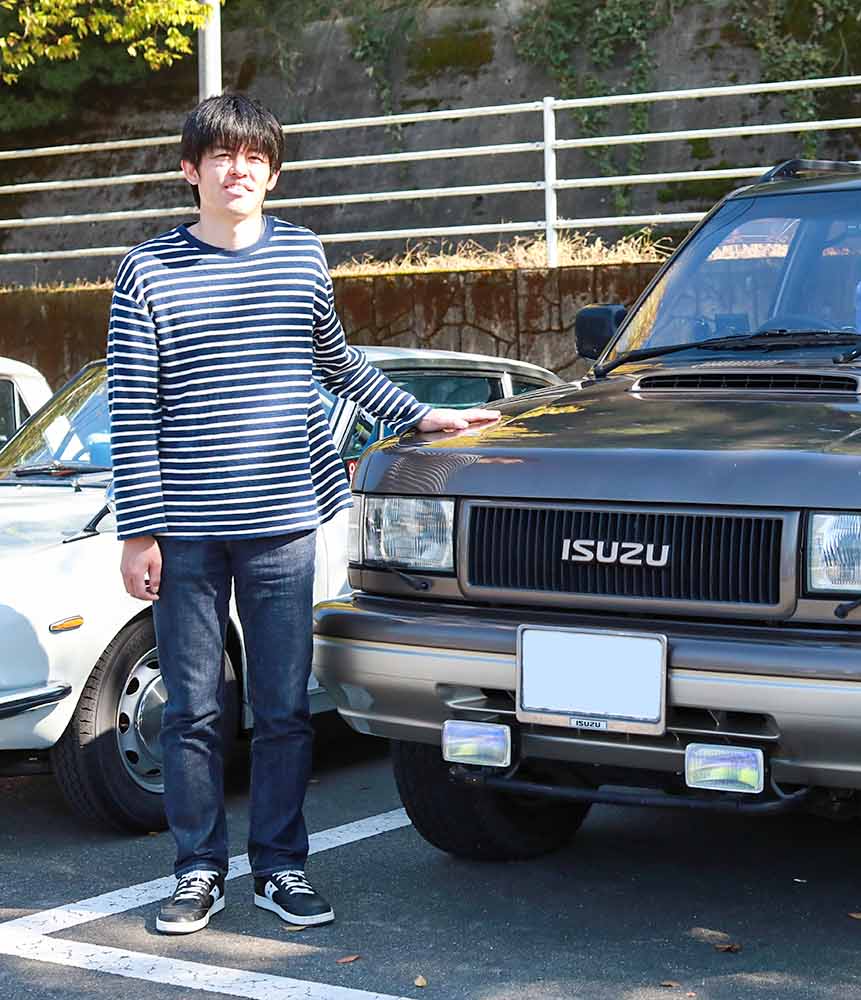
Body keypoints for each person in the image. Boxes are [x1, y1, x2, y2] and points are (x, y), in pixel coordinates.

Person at [106, 92, 496, 935]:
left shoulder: (301, 256)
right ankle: (198, 870)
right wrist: (137, 531)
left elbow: (336, 362)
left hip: (284, 522)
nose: (238, 170)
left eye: (255, 158)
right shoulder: (147, 270)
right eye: (221, 156)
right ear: (191, 171)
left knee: (283, 710)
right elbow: (132, 408)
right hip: (186, 533)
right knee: (193, 713)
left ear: (273, 174)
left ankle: (280, 868)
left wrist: (419, 414)